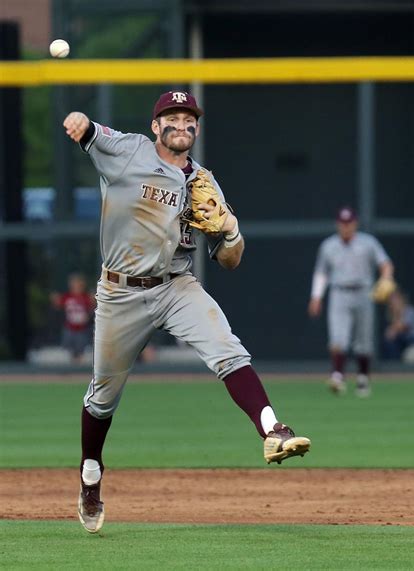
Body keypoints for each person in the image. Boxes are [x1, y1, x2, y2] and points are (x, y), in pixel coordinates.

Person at [63, 90, 310, 534]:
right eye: (172, 118)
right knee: (103, 398)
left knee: (228, 350)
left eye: (189, 119)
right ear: (156, 126)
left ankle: (274, 430)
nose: (182, 125)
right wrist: (80, 122)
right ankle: (91, 473)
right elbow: (89, 132)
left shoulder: (202, 179)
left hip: (175, 284)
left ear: (196, 129)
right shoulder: (129, 150)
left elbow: (230, 260)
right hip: (120, 291)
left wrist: (232, 233)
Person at [307, 206, 394, 397]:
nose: (346, 227)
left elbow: (385, 264)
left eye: (349, 223)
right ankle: (337, 376)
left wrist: (386, 278)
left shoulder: (368, 242)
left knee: (364, 339)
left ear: (355, 223)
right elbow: (321, 273)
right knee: (338, 337)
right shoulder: (329, 245)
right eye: (342, 223)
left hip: (363, 292)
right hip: (339, 292)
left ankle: (363, 378)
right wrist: (316, 296)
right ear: (338, 224)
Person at [50, 273, 95, 363]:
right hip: (69, 328)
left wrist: (93, 299)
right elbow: (57, 305)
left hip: (82, 329)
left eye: (79, 284)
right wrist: (55, 299)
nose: (77, 286)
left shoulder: (85, 297)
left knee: (81, 352)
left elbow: (93, 306)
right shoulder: (67, 297)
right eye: (74, 284)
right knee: (67, 352)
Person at [383, 289, 414, 360]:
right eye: (391, 301)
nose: (393, 303)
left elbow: (403, 327)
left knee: (394, 338)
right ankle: (392, 363)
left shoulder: (411, 311)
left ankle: (395, 363)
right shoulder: (393, 313)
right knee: (389, 341)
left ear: (402, 300)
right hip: (403, 339)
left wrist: (392, 331)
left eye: (396, 300)